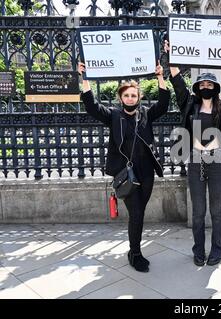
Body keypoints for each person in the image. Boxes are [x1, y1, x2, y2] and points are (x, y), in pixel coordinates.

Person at [78, 61, 170, 273]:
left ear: (139, 98)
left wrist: (160, 77)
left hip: (146, 172)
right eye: (127, 95)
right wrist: (85, 78)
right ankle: (135, 253)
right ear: (121, 98)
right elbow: (92, 107)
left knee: (140, 212)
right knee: (136, 212)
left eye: (134, 95)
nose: (130, 99)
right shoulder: (114, 116)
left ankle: (134, 250)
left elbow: (164, 105)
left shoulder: (146, 114)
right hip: (125, 174)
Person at [165, 39, 221, 266]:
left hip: (217, 160)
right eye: (203, 85)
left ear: (215, 88)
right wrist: (172, 55)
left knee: (217, 211)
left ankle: (217, 250)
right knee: (198, 211)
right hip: (196, 160)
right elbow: (177, 82)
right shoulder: (190, 105)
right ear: (198, 88)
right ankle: (198, 250)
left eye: (210, 85)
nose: (206, 87)